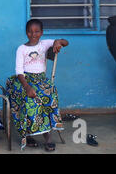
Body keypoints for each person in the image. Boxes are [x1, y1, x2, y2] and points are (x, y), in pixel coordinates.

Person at [6, 19, 69, 151]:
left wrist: (57, 42)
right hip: (24, 79)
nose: (33, 34)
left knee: (50, 93)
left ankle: (48, 136)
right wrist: (27, 87)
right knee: (29, 98)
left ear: (42, 33)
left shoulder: (44, 44)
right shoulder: (21, 49)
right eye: (30, 31)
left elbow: (65, 42)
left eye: (37, 31)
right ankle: (28, 134)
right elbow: (19, 71)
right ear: (26, 32)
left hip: (41, 79)